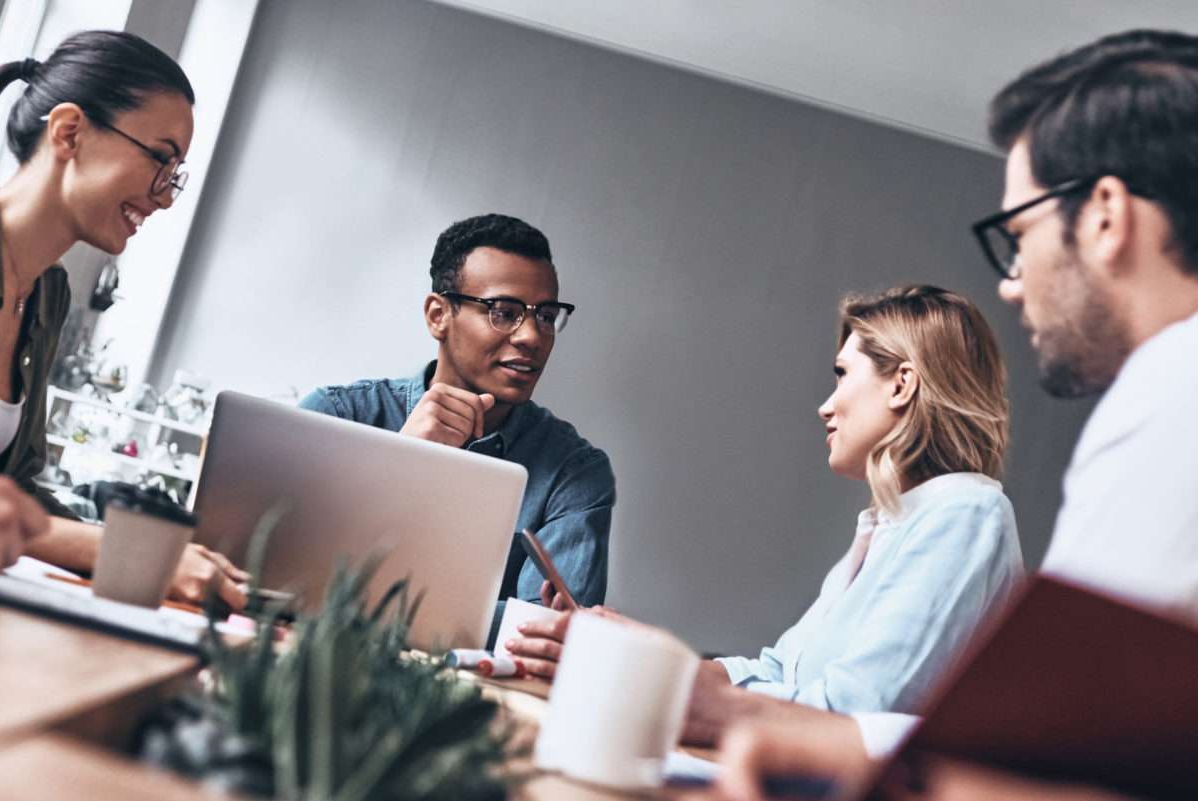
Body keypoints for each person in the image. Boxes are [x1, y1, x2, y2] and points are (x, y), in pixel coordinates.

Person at [714, 28, 1198, 801]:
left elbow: (1059, 766)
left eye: (1018, 237)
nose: (1012, 282)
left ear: (1105, 215)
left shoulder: (1172, 388)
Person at [511, 285, 1024, 748]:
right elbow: (779, 670)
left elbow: (854, 715)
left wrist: (657, 683)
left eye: (843, 375)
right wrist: (640, 652)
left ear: (901, 385)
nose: (827, 406)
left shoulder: (966, 513)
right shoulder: (887, 526)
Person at [0, 31, 247, 607]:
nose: (163, 197)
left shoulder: (47, 293)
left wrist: (147, 547)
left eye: (174, 173)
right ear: (69, 132)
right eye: (160, 159)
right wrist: (122, 554)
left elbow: (20, 491)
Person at [300, 213, 615, 643]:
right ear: (438, 315)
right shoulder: (336, 416)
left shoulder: (575, 472)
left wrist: (356, 598)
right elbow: (275, 570)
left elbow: (548, 634)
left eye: (545, 315)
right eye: (504, 312)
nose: (532, 337)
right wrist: (399, 463)